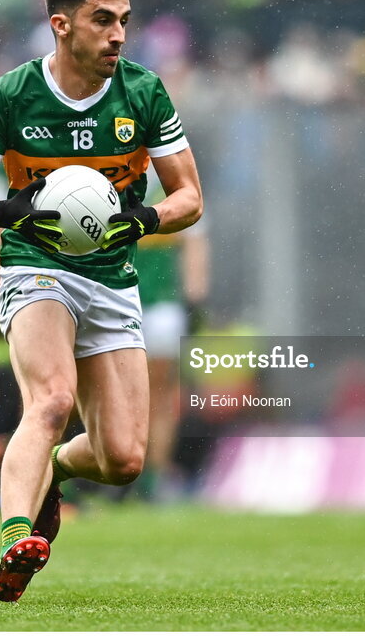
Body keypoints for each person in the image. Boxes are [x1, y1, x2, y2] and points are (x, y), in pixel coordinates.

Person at [0, 0, 203, 601]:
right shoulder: (10, 96)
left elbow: (189, 196)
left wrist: (140, 218)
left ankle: (46, 468)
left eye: (125, 22)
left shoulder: (143, 93)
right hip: (36, 267)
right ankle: (16, 536)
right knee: (51, 401)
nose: (118, 36)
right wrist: (9, 211)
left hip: (111, 275)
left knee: (122, 461)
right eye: (103, 20)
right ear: (62, 25)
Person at [135, 165, 209, 501]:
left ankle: (150, 476)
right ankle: (135, 471)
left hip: (162, 303)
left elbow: (195, 243)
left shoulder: (173, 181)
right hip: (123, 299)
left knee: (158, 393)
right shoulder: (111, 173)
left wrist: (194, 300)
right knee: (143, 393)